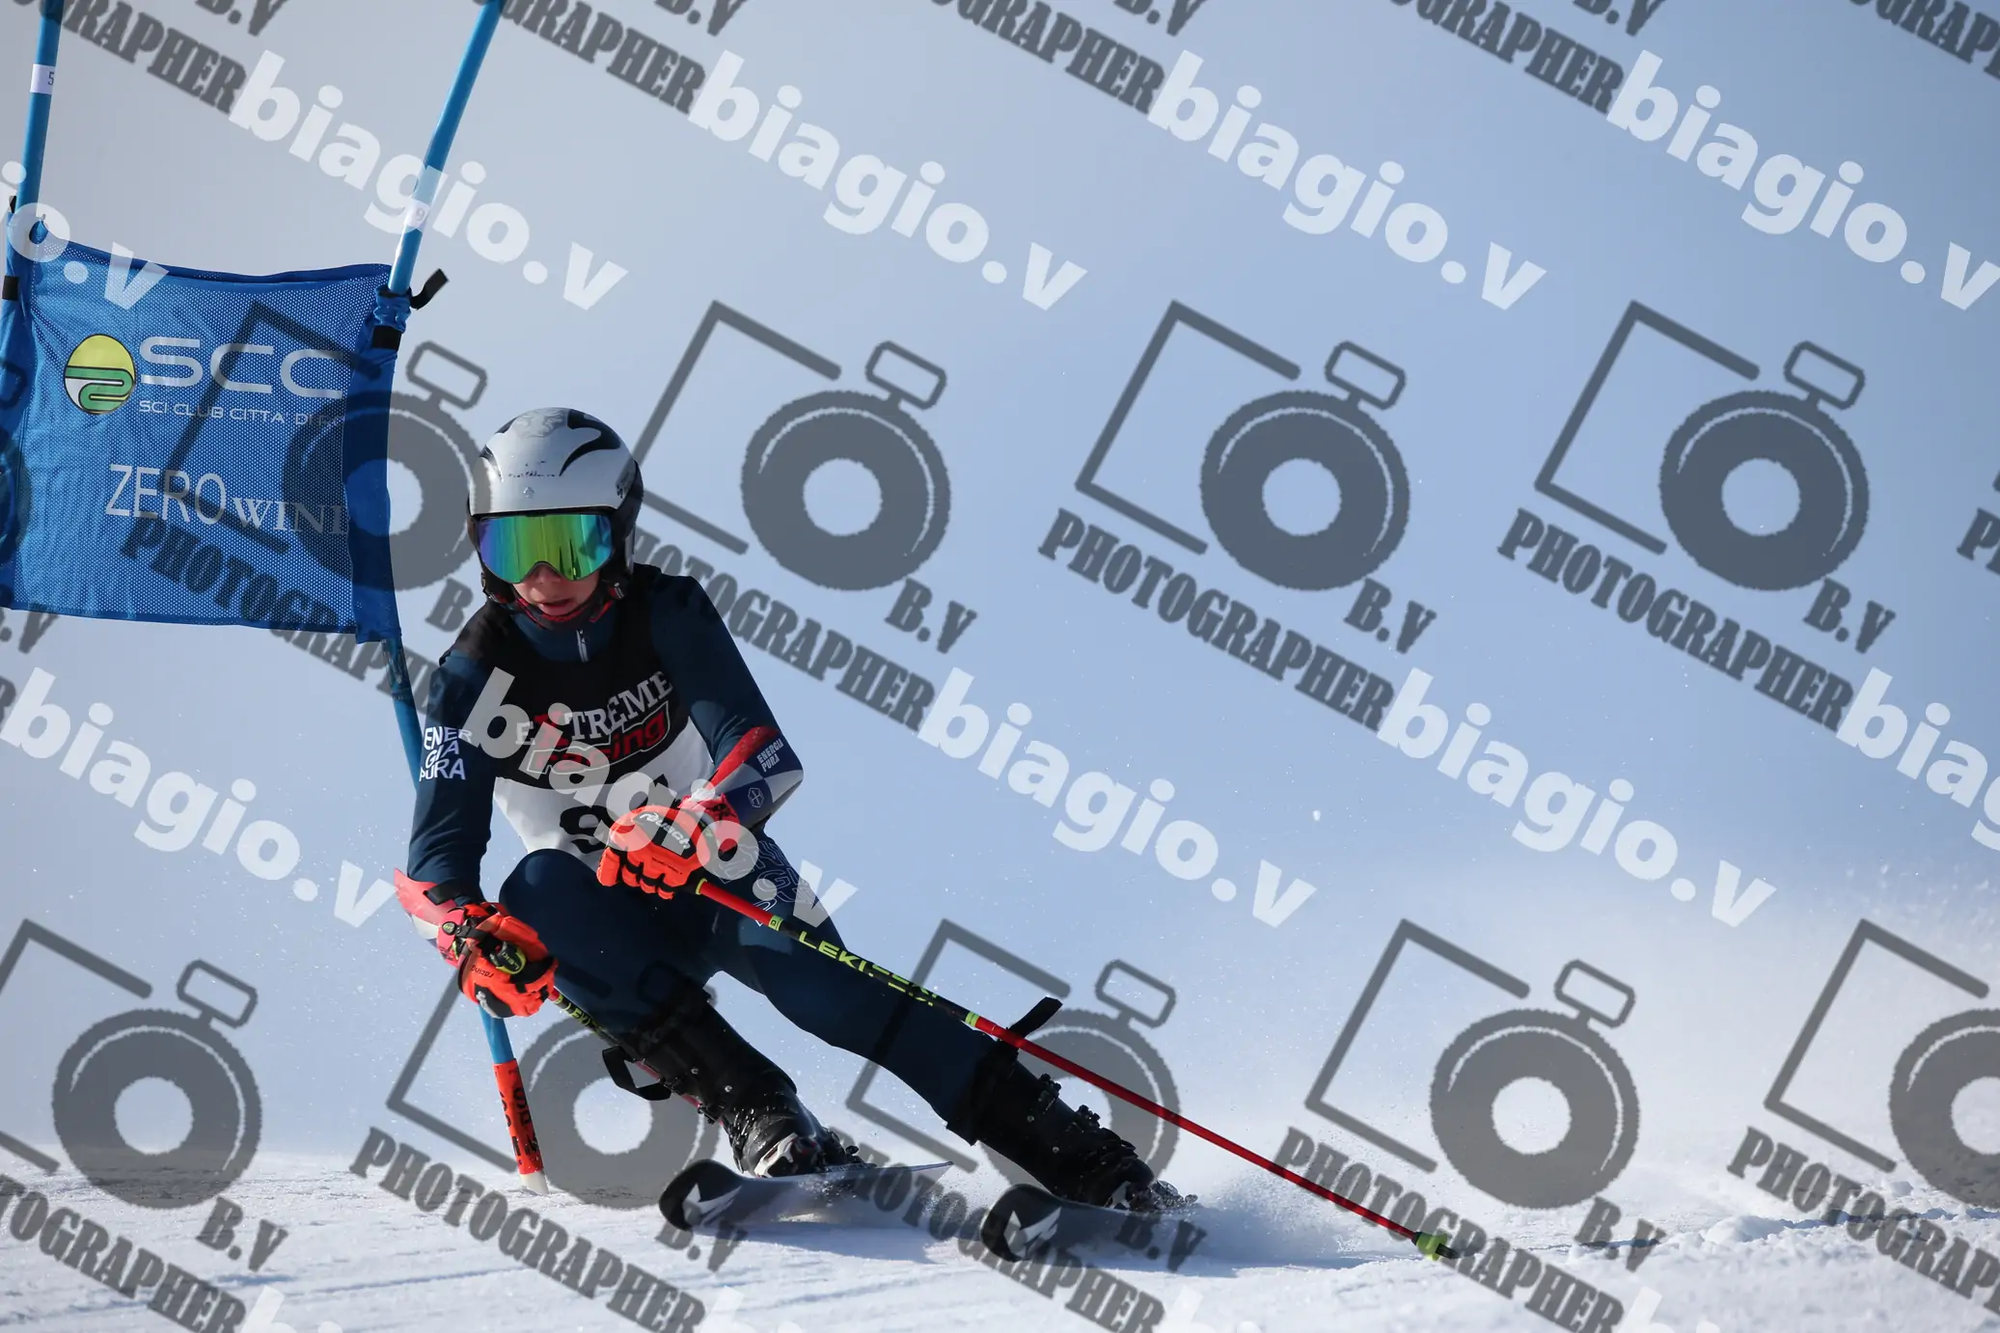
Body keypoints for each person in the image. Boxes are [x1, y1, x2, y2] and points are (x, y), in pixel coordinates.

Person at [395, 406, 1183, 1210]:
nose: (543, 577)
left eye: (570, 544)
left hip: (711, 874)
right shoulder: (468, 680)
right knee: (533, 890)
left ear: (619, 533)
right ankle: (761, 1112)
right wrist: (466, 934)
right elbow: (434, 865)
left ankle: (1079, 1154)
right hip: (601, 926)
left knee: (829, 995)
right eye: (512, 546)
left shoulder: (668, 611)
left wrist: (697, 821)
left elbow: (763, 755)